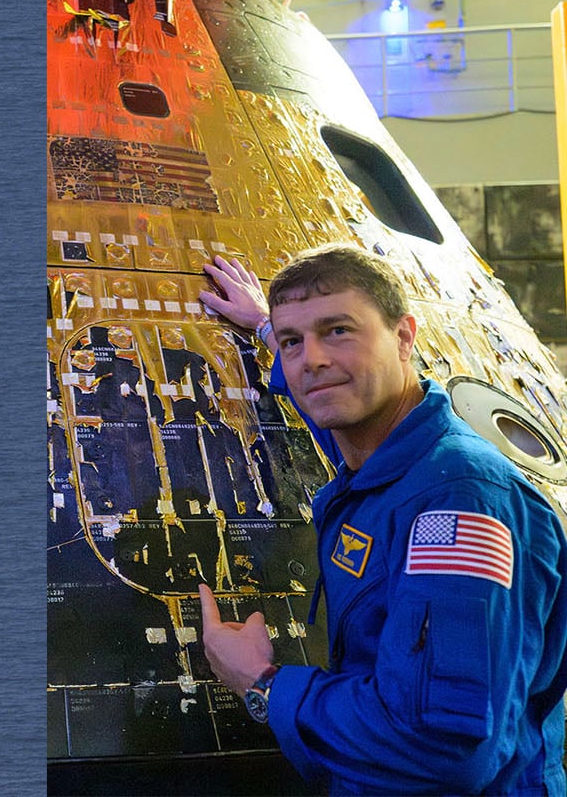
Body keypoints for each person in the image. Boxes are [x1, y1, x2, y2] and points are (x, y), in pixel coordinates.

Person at [195, 246, 567, 794]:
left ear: (404, 335)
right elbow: (332, 409)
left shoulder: (457, 504)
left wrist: (263, 685)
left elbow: (444, 752)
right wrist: (267, 331)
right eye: (296, 341)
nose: (312, 361)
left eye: (339, 330)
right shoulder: (388, 451)